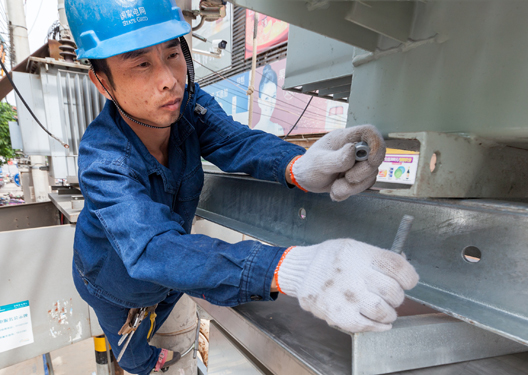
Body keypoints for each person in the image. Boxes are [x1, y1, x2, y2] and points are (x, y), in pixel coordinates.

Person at [66, 1, 419, 373]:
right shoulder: (103, 160)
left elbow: (234, 142)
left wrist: (299, 166)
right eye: (141, 64)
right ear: (102, 81)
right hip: (114, 284)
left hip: (170, 281)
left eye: (172, 53)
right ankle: (148, 363)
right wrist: (289, 267)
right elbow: (154, 249)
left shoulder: (185, 104)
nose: (168, 78)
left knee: (169, 295)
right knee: (134, 353)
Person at [252, 64, 285, 135]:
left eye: (273, 96)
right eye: (266, 98)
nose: (270, 103)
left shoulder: (278, 129)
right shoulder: (254, 132)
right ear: (259, 102)